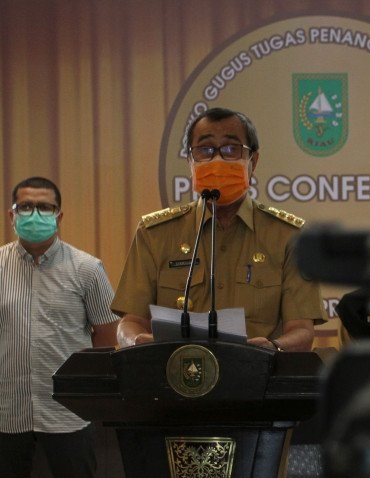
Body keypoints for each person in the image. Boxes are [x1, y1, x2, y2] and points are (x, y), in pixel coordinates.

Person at [111, 107, 327, 349]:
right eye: (205, 150)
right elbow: (130, 322)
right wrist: (136, 340)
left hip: (258, 377)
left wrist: (273, 348)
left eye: (230, 149)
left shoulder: (289, 237)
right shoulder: (155, 234)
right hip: (173, 375)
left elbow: (302, 330)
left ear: (252, 161)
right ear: (190, 161)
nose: (217, 159)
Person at [0, 176, 119, 478]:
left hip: (69, 412)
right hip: (7, 410)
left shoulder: (87, 269)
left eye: (44, 207)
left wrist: (90, 395)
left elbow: (107, 338)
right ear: (12, 215)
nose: (34, 214)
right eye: (26, 206)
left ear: (59, 215)